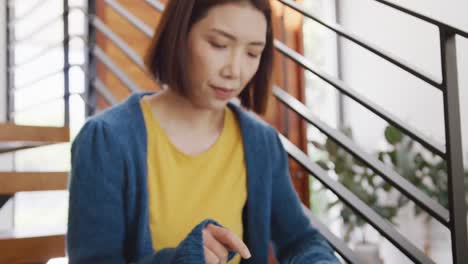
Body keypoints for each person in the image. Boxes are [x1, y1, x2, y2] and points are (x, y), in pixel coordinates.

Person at [67, 0, 340, 263]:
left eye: (252, 53)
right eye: (219, 45)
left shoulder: (261, 143)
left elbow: (300, 241)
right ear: (179, 35)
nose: (234, 71)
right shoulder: (105, 141)